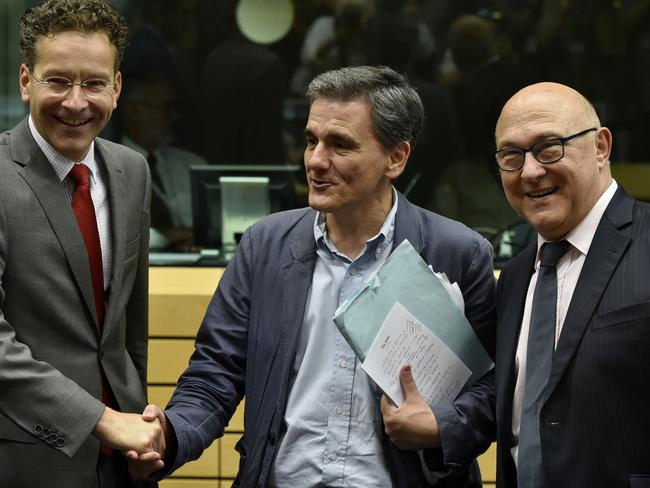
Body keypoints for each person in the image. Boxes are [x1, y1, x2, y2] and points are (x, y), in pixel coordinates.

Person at [129, 65, 496, 487]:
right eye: (310, 140)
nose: (316, 161)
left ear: (396, 158)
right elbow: (215, 375)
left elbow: (491, 394)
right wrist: (169, 435)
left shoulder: (457, 254)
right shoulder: (264, 247)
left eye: (340, 144)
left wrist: (440, 425)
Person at [0, 1, 164, 487]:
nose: (76, 102)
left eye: (93, 83)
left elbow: (130, 327)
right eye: (57, 81)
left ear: (116, 87)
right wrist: (102, 419)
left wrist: (137, 421)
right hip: (25, 460)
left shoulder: (131, 170)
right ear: (26, 81)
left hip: (125, 460)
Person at [492, 82, 650, 487]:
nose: (530, 171)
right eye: (512, 156)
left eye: (550, 148)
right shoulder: (513, 277)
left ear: (601, 146)